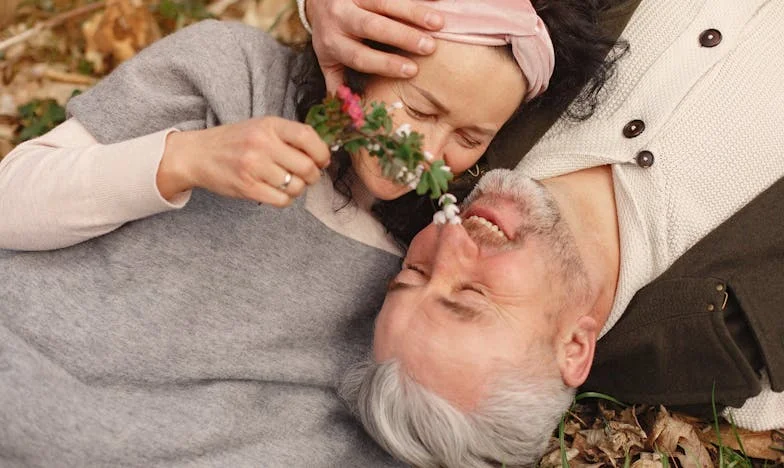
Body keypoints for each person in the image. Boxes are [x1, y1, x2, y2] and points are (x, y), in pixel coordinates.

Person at [0, 1, 618, 466]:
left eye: (469, 139)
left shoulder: (421, 271)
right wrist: (184, 160)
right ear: (359, 59)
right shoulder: (233, 78)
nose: (427, 150)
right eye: (422, 110)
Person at [333, 0, 784, 466]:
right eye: (471, 294)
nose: (448, 240)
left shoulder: (445, 132)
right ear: (573, 347)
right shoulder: (747, 349)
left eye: (414, 271)